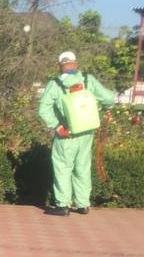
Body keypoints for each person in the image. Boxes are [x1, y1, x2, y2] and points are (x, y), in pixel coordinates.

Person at [38, 51, 115, 216]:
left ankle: (63, 206)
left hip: (66, 133)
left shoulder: (55, 84)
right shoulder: (87, 80)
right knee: (83, 166)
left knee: (63, 167)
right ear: (76, 63)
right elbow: (108, 98)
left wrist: (57, 126)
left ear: (60, 66)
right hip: (86, 131)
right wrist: (107, 107)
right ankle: (83, 204)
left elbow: (43, 109)